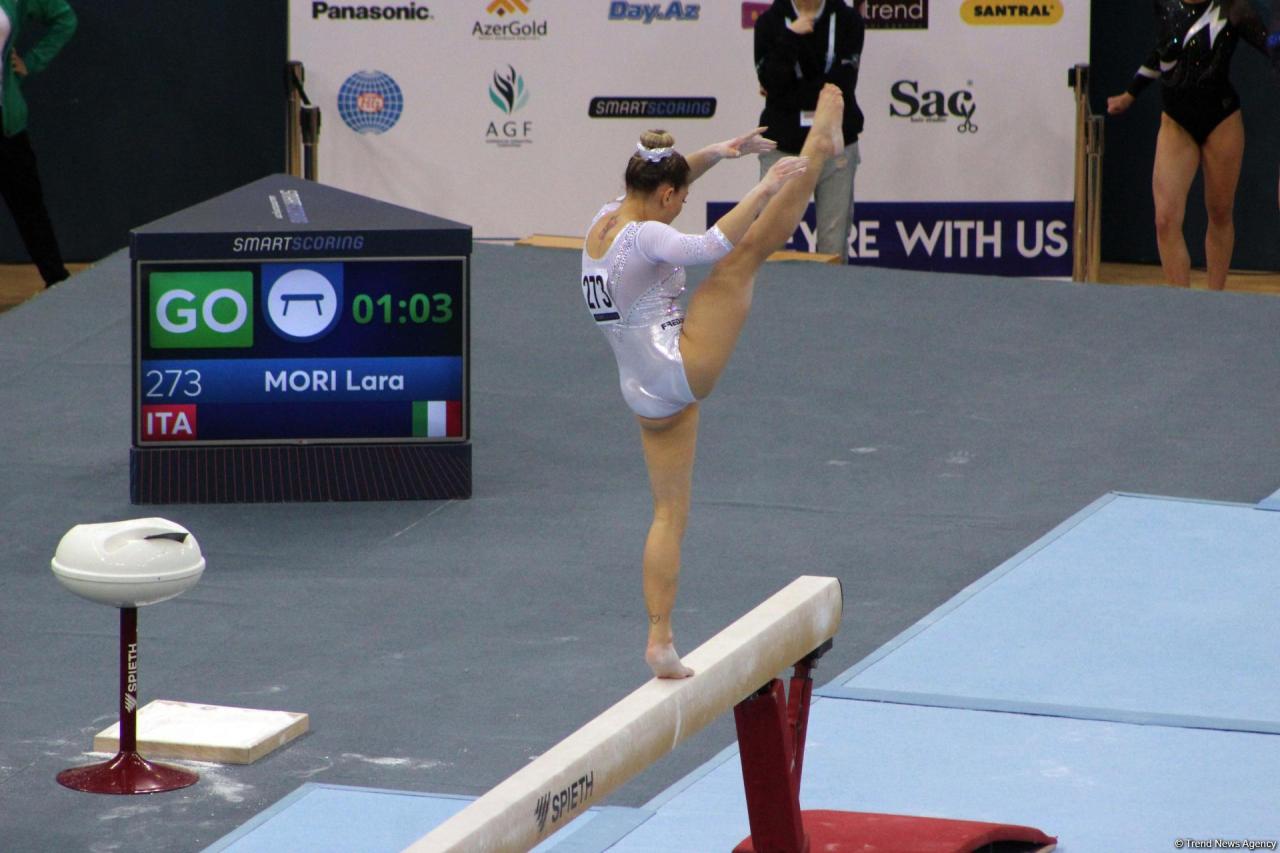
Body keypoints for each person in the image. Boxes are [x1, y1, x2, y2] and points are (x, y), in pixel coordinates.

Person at [581, 85, 844, 678]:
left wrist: (721, 151)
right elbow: (709, 243)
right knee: (741, 258)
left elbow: (668, 176)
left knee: (668, 514)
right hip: (676, 367)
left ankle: (660, 641)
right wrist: (763, 184)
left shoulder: (604, 218)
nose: (680, 204)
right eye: (679, 198)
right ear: (665, 196)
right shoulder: (647, 235)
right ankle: (817, 153)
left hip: (639, 389)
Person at [1107, 0, 1277, 291]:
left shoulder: (1233, 8)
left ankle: (1214, 298)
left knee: (1220, 212)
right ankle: (1180, 304)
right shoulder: (1165, 4)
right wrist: (1130, 94)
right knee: (1165, 219)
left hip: (1221, 120)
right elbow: (1163, 52)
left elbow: (1270, 47)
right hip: (1176, 122)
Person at [754, 0, 864, 260]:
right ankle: (771, 299)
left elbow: (842, 85)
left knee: (833, 241)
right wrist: (791, 36)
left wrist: (789, 92)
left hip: (835, 144)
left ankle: (835, 301)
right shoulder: (769, 22)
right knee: (769, 239)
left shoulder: (849, 20)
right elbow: (771, 79)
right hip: (782, 146)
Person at [1, 0, 76, 288]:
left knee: (29, 208)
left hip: (6, 124)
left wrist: (30, 62)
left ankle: (57, 283)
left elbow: (64, 19)